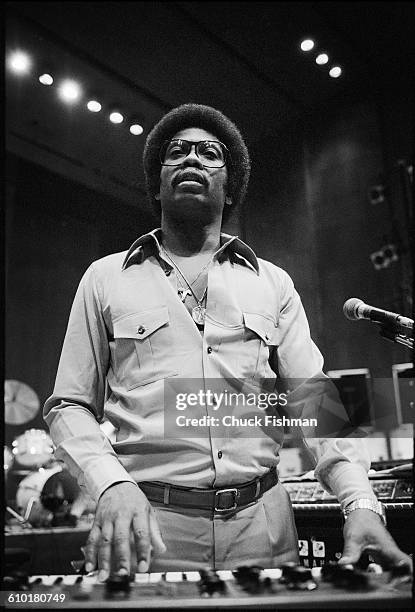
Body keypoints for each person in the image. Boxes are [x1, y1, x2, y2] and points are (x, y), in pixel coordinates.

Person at [44, 103, 411, 581]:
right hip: (149, 528)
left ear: (230, 184)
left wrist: (359, 500)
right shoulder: (104, 278)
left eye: (209, 152)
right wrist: (109, 484)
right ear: (157, 182)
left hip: (265, 528)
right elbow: (69, 405)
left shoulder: (274, 283)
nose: (192, 159)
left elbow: (313, 399)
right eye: (177, 152)